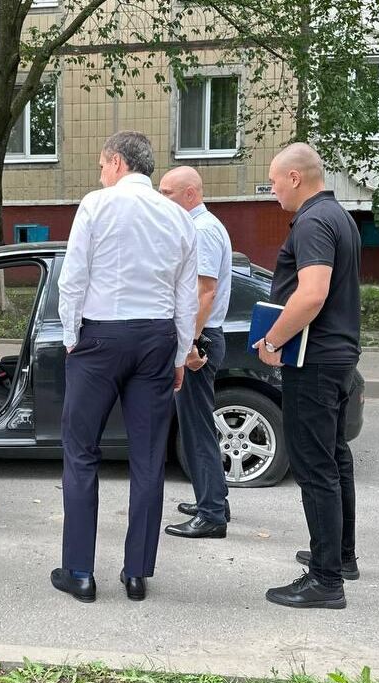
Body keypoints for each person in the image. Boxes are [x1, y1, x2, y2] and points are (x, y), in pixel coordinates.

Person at [52, 131, 198, 603]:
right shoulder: (178, 217)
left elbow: (73, 275)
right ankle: (137, 573)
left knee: (80, 451)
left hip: (100, 336)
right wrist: (179, 354)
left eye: (101, 163)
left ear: (116, 163)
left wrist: (72, 336)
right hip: (155, 337)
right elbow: (186, 294)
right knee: (149, 457)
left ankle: (79, 572)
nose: (99, 172)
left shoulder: (96, 205)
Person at [253, 142, 361, 610]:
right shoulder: (339, 216)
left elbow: (311, 295)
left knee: (316, 468)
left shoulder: (314, 222)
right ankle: (340, 556)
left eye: (275, 182)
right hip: (337, 358)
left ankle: (324, 581)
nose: (273, 191)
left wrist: (273, 341)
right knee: (335, 459)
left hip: (313, 361)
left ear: (295, 178)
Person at [158, 166, 233, 539]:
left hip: (200, 340)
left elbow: (205, 293)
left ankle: (212, 515)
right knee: (199, 424)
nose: (161, 198)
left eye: (167, 192)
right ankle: (215, 496)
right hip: (204, 336)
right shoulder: (202, 226)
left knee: (196, 430)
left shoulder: (201, 231)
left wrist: (188, 344)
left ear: (190, 194)